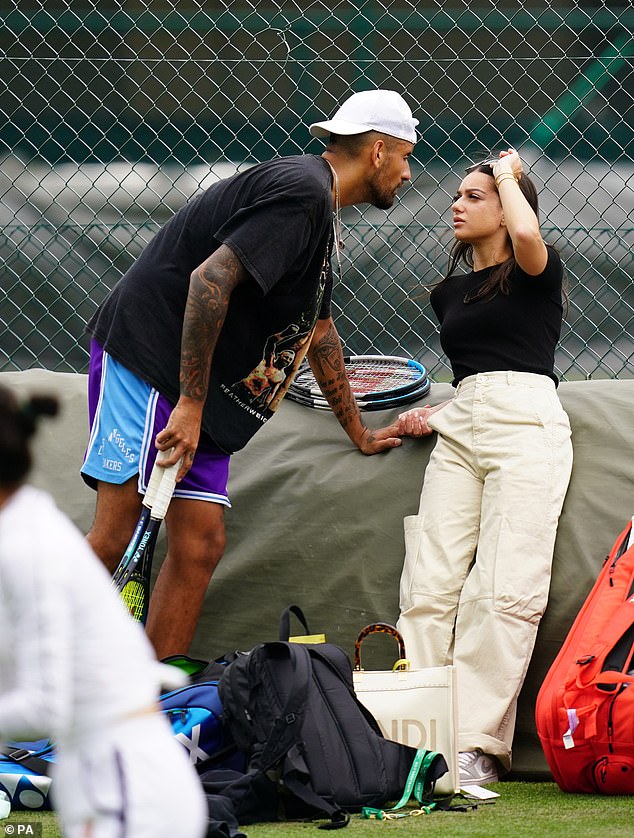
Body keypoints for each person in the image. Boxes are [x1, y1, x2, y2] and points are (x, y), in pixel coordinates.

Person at [81, 89, 419, 659]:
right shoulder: (302, 194)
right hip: (151, 363)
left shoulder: (320, 210)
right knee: (117, 534)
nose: (410, 174)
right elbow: (208, 281)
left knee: (200, 544)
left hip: (199, 395)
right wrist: (188, 405)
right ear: (379, 151)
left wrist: (358, 432)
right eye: (407, 157)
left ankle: (160, 707)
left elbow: (318, 331)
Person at [395, 149, 573, 787]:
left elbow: (527, 236)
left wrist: (507, 170)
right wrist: (437, 411)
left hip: (527, 425)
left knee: (501, 589)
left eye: (475, 196)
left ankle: (474, 745)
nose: (457, 204)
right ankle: (414, 737)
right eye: (458, 195)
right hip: (462, 423)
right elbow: (478, 372)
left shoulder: (535, 270)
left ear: (505, 205)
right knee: (428, 585)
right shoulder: (449, 292)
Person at [0, 385, 208, 837]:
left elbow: (44, 704)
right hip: (103, 780)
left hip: (128, 791)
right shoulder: (21, 531)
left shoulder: (24, 549)